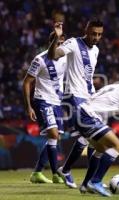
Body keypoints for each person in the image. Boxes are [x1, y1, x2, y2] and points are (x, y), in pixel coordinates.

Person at [47, 18, 103, 188]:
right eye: (93, 33)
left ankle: (86, 178)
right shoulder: (73, 43)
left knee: (96, 137)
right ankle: (71, 172)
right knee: (90, 134)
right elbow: (53, 55)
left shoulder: (96, 50)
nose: (95, 37)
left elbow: (87, 75)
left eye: (99, 34)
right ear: (86, 31)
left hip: (90, 97)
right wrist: (57, 38)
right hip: (74, 95)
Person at [23, 32, 66, 184]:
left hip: (57, 102)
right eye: (57, 42)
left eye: (62, 42)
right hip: (42, 100)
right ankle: (56, 174)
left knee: (54, 138)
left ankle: (37, 172)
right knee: (54, 135)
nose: (60, 46)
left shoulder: (65, 57)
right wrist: (29, 106)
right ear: (51, 42)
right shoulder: (40, 59)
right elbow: (27, 82)